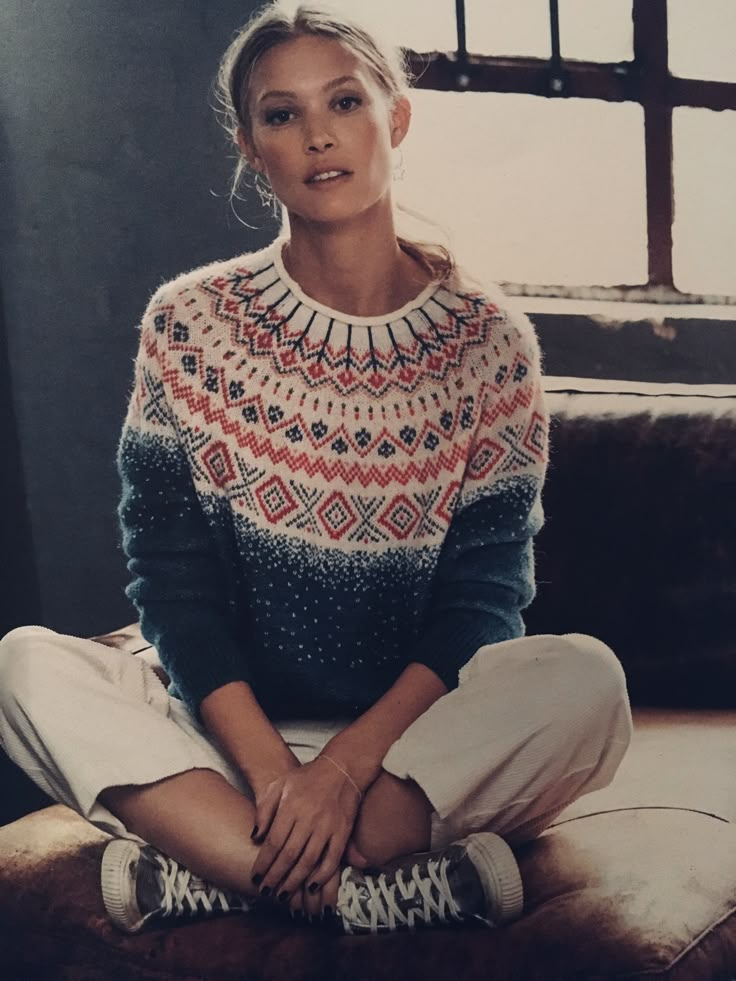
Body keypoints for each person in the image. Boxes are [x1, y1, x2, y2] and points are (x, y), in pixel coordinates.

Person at [0, 1, 632, 937]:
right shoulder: (189, 325)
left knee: (588, 682)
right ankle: (360, 891)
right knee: (22, 664)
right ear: (252, 148)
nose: (318, 134)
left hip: (408, 749)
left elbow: (483, 603)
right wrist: (274, 775)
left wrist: (340, 772)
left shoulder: (490, 346)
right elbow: (173, 588)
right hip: (224, 739)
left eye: (344, 100)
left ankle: (221, 868)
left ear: (396, 117)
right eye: (281, 114)